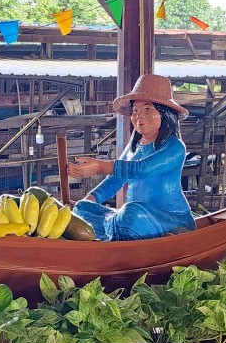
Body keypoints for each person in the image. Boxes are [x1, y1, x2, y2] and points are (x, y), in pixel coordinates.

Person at [68, 74, 197, 241]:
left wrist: (99, 166)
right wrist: (89, 201)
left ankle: (115, 228)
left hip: (170, 219)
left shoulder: (174, 147)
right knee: (81, 209)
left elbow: (141, 169)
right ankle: (115, 227)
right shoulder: (133, 147)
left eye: (147, 109)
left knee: (131, 214)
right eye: (135, 110)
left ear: (165, 114)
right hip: (132, 217)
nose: (138, 116)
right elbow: (115, 180)